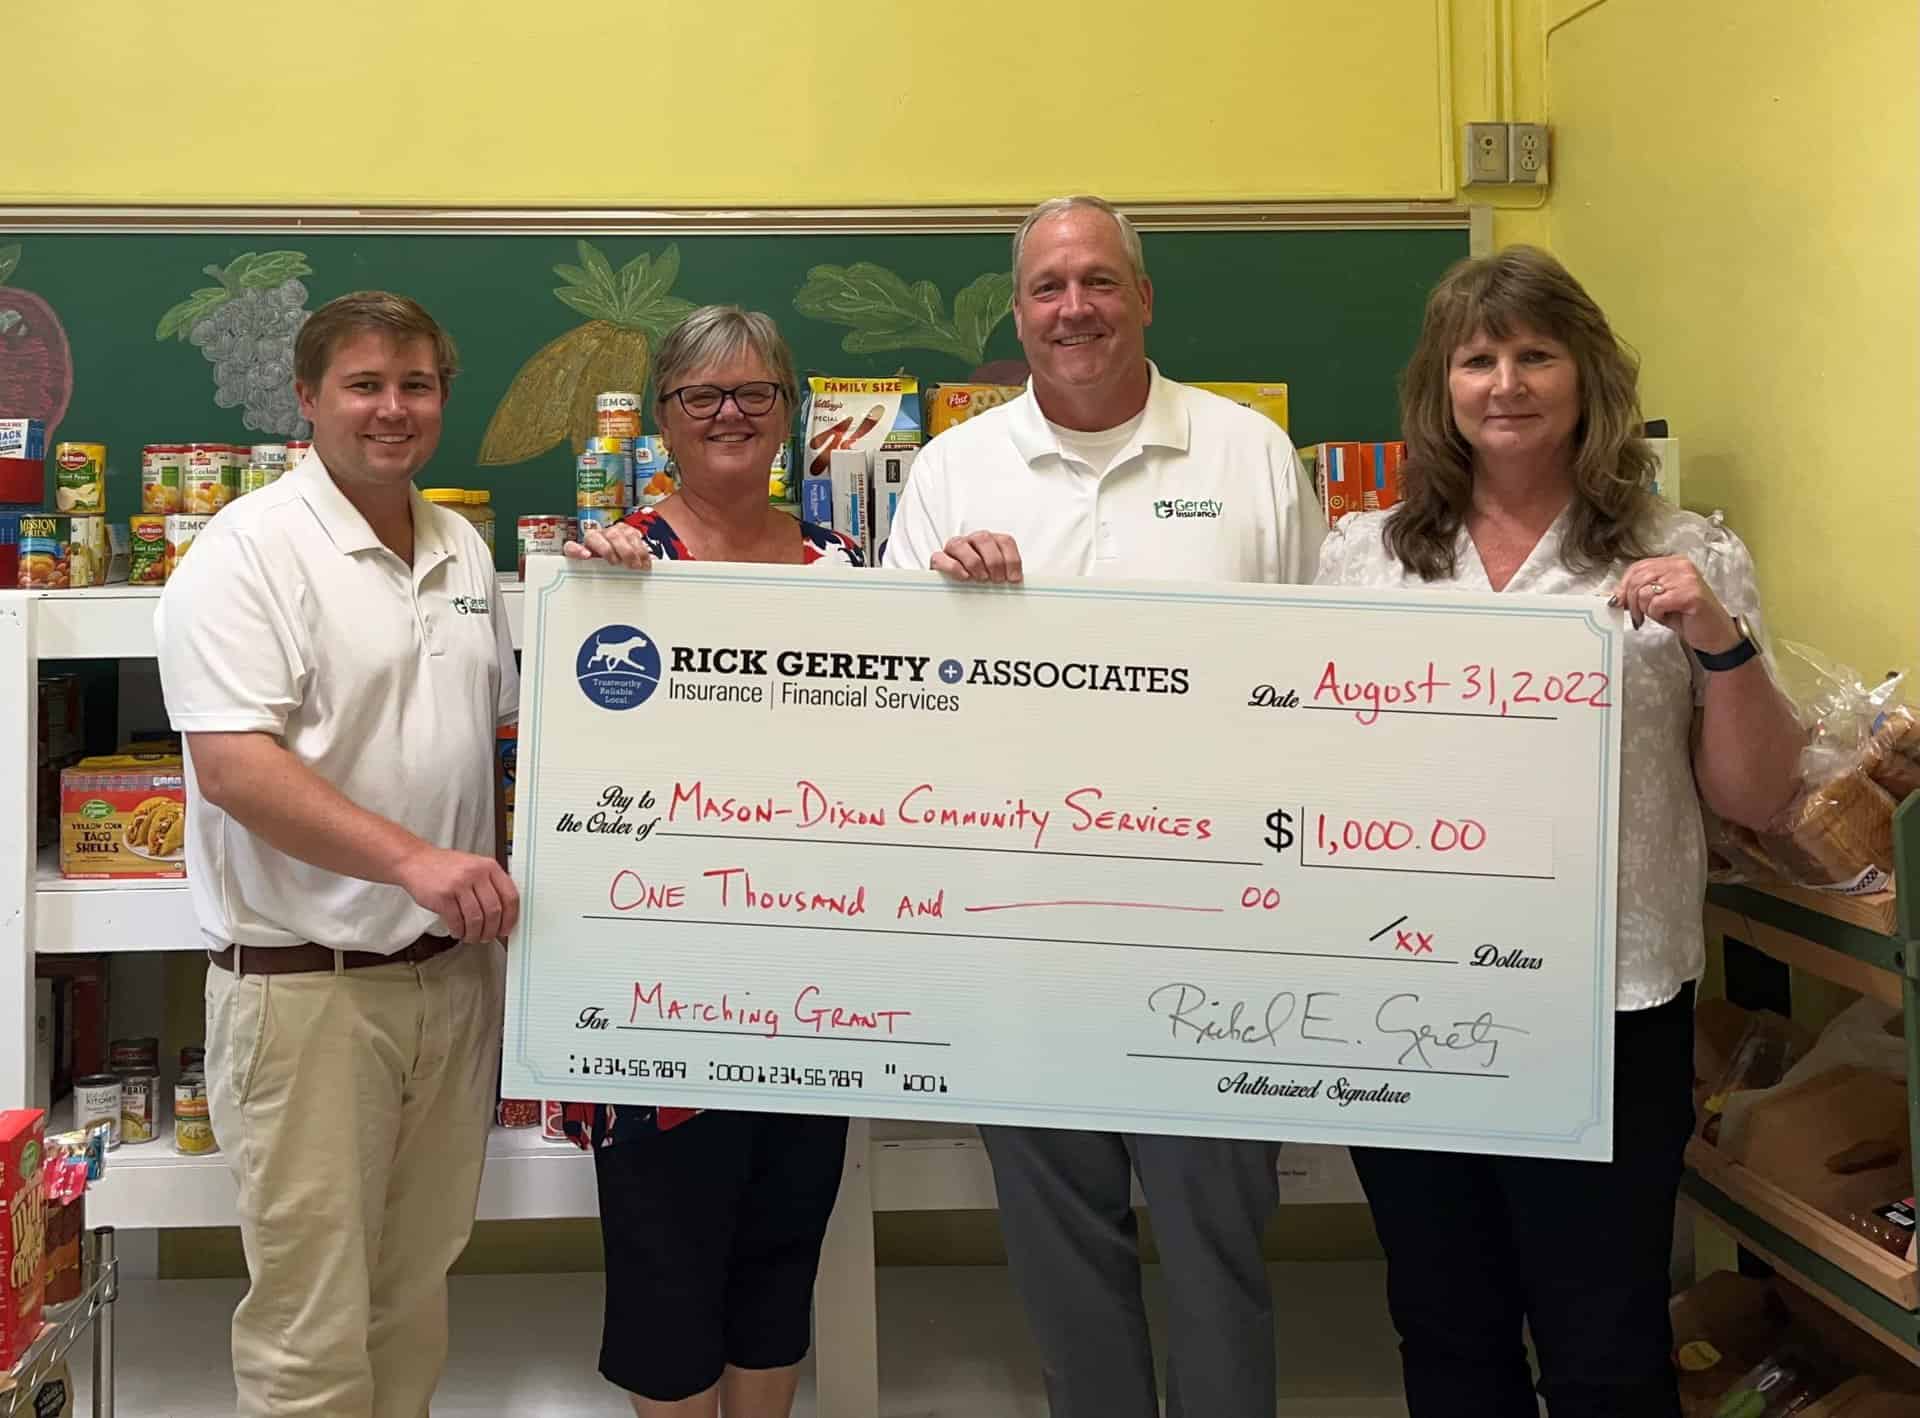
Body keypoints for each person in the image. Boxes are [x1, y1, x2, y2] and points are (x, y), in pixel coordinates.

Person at [1315, 245, 1804, 1417]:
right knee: (1445, 1324)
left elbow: (1755, 794)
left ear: (1589, 376)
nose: (1507, 382)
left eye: (1537, 353)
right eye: (1477, 358)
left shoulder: (1684, 551)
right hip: (1407, 1001)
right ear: (1440, 388)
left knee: (1604, 1335)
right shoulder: (1366, 558)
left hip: (1609, 1004)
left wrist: (1716, 638)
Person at [883, 195, 1325, 1418]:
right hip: (1025, 938)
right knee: (1061, 1255)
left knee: (1219, 1248)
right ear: (1017, 309)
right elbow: (897, 703)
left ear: (1143, 296)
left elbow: (1319, 690)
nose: (1072, 308)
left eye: (1097, 281)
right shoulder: (953, 470)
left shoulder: (1248, 456)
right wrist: (948, 612)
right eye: (1046, 287)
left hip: (1216, 937)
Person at [155, 291, 518, 1418]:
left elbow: (489, 738)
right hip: (309, 996)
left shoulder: (461, 546)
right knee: (311, 1326)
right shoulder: (245, 550)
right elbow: (235, 767)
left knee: (411, 1299)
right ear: (307, 400)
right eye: (364, 384)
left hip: (449, 982)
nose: (393, 408)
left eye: (416, 384)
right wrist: (415, 860)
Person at [562, 304, 857, 1418]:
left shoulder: (847, 567)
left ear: (791, 412)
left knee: (782, 1251)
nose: (729, 414)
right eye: (701, 396)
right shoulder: (615, 567)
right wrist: (600, 596)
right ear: (663, 420)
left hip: (812, 982)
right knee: (666, 1268)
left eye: (756, 393)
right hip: (661, 992)